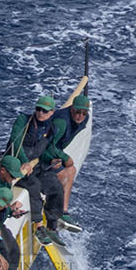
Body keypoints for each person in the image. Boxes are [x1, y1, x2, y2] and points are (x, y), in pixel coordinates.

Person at [6, 94, 65, 243]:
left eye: (45, 111)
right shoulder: (23, 121)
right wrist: (24, 162)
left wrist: (52, 160)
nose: (41, 113)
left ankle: (52, 226)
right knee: (34, 185)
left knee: (55, 184)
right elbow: (15, 141)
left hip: (36, 166)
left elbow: (47, 150)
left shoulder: (52, 129)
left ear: (52, 112)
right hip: (18, 167)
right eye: (38, 109)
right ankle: (39, 227)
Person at [49, 93, 91, 229]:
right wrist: (64, 157)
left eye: (84, 113)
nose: (80, 116)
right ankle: (52, 215)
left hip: (55, 153)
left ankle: (64, 211)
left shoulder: (84, 119)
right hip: (44, 154)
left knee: (71, 170)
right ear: (71, 109)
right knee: (62, 177)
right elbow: (48, 145)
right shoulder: (61, 122)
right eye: (78, 111)